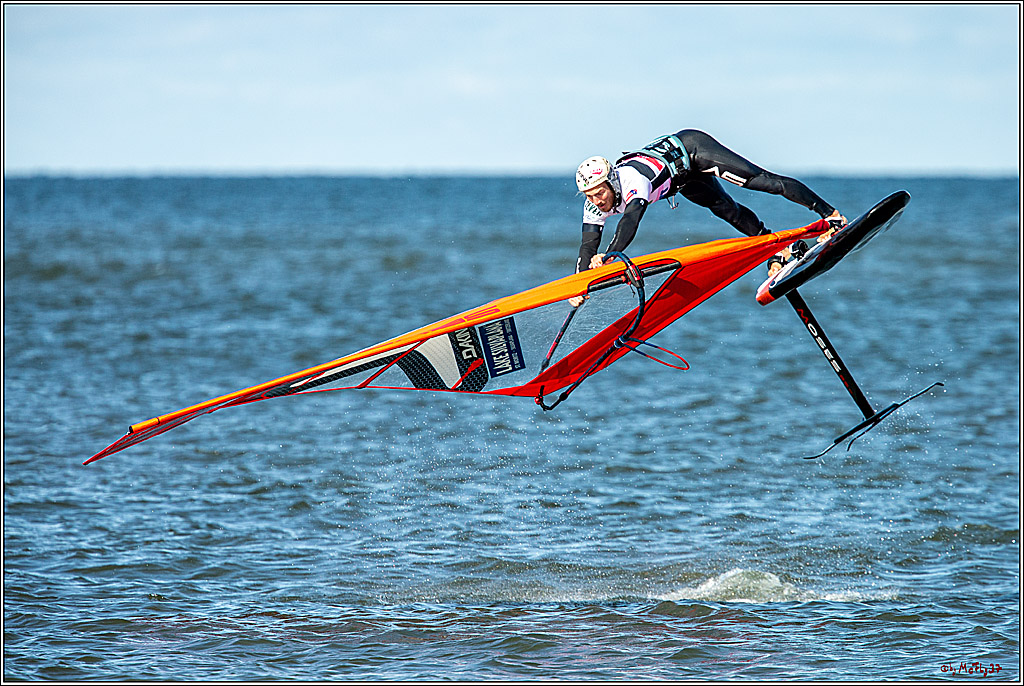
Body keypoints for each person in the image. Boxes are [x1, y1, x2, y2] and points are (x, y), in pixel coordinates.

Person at [569, 130, 846, 305]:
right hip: (682, 180)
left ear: (611, 182)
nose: (597, 201)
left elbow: (630, 221)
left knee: (763, 182)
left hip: (693, 150)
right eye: (590, 196)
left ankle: (831, 216)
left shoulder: (632, 180)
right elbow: (587, 245)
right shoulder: (593, 204)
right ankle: (777, 250)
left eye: (600, 193)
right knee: (727, 210)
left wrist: (609, 255)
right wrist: (579, 285)